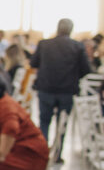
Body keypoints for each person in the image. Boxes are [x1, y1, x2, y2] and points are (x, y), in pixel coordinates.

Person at [29, 18, 91, 155]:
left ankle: (43, 153)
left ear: (58, 28)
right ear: (71, 30)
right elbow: (86, 69)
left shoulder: (44, 44)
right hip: (67, 90)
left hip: (46, 88)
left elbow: (33, 63)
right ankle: (57, 154)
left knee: (44, 121)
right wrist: (74, 77)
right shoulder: (77, 46)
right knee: (62, 123)